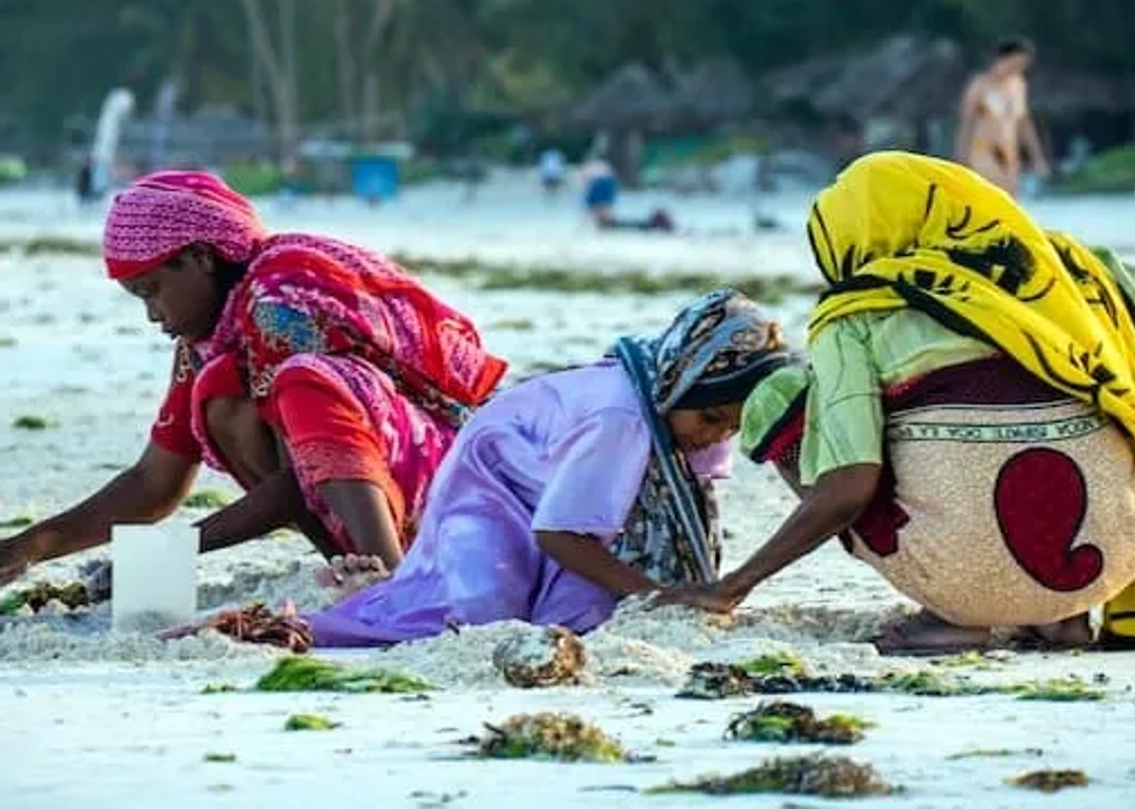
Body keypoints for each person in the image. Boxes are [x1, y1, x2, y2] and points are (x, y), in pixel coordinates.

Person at [661, 152, 1135, 653]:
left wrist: (733, 586)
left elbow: (849, 486)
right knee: (1129, 373)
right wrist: (1060, 340)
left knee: (789, 399)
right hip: (1112, 562)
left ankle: (952, 611)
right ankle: (1061, 615)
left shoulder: (858, 312)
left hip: (964, 579)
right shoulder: (1064, 266)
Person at [0, 170, 507, 588]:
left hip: (461, 489)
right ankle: (361, 565)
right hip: (407, 489)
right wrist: (31, 547)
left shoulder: (279, 302)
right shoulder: (208, 344)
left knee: (303, 381)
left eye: (154, 290)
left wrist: (168, 555)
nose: (153, 314)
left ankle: (390, 578)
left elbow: (299, 481)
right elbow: (154, 482)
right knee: (221, 400)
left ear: (200, 258)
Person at [303, 288, 793, 647]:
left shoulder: (667, 404)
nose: (713, 437)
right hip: (490, 495)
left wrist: (667, 591)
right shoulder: (621, 417)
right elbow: (559, 535)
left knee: (586, 610)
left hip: (552, 501)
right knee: (483, 615)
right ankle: (372, 601)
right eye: (710, 418)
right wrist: (657, 596)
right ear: (681, 387)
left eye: (730, 429)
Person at [954, 36, 1050, 198]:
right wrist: (960, 157)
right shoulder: (979, 85)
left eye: (1022, 66)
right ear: (1001, 59)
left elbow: (1024, 124)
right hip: (982, 151)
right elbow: (966, 123)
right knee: (992, 194)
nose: (1017, 69)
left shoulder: (1018, 85)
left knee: (1011, 198)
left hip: (1009, 152)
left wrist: (1037, 157)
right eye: (1015, 64)